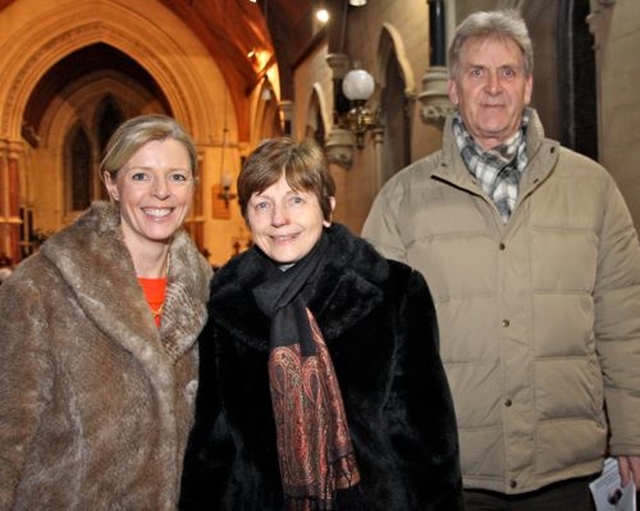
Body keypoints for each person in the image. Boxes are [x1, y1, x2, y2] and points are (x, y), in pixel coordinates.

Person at [362, 8, 640, 511]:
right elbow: (375, 344)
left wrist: (634, 433)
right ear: (453, 89)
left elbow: (624, 322)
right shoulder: (401, 200)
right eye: (476, 72)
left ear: (528, 86)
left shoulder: (592, 188)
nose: (493, 87)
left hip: (565, 471)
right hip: (451, 473)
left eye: (507, 72)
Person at [179, 137, 463, 510]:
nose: (279, 218)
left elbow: (427, 440)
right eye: (262, 204)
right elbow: (212, 446)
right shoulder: (225, 307)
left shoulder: (394, 292)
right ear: (247, 218)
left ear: (327, 208)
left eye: (296, 199)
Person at [0, 114, 212, 509]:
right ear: (111, 184)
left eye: (177, 177)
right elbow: (7, 432)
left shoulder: (207, 291)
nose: (161, 192)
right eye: (141, 176)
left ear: (193, 187)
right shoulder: (40, 287)